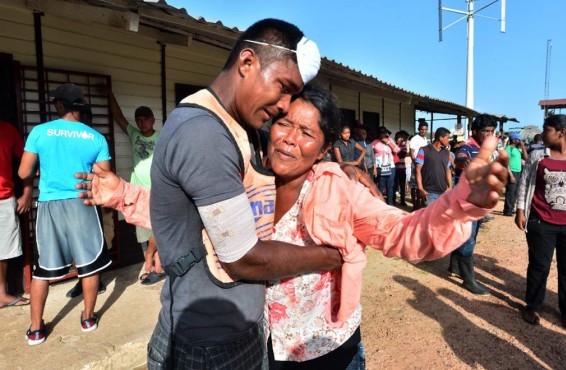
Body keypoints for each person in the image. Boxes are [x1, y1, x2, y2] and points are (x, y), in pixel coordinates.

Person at [75, 84, 509, 369]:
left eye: (306, 132)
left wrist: (461, 202)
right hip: (256, 348)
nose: (289, 138)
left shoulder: (341, 192)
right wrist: (120, 194)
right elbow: (185, 218)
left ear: (323, 148)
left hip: (327, 349)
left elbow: (405, 233)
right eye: (284, 123)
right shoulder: (241, 179)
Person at [18, 83, 112, 346]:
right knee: (89, 264)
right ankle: (88, 318)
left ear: (59, 105)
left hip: (50, 205)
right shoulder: (95, 137)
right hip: (83, 202)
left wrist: (42, 167)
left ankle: (36, 329)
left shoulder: (40, 132)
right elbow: (103, 176)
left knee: (43, 270)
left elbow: (23, 173)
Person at [515, 114, 566, 330]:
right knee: (539, 266)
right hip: (541, 221)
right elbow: (524, 182)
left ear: (560, 133)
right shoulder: (537, 156)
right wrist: (520, 209)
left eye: (547, 130)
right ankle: (533, 306)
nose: (543, 134)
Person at [107, 89, 164, 286]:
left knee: (158, 229)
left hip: (157, 192)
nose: (141, 123)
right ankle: (150, 266)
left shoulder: (162, 137)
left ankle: (158, 266)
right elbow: (118, 116)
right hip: (137, 193)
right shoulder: (134, 134)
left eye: (145, 119)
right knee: (142, 231)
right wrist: (109, 93)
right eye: (138, 120)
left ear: (153, 120)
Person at [447, 114, 498, 296]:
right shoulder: (468, 148)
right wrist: (464, 162)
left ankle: (454, 266)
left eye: (492, 131)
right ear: (475, 131)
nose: (489, 134)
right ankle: (469, 280)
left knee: (469, 235)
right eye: (485, 131)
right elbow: (459, 159)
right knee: (468, 239)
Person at [0, 120, 32, 309]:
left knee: (2, 250)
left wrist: (27, 192)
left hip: (3, 198)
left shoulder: (7, 130)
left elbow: (27, 162)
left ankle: (1, 294)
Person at [415, 127, 452, 206]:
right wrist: (420, 188)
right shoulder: (424, 150)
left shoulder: (446, 153)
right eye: (447, 138)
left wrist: (450, 187)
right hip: (429, 193)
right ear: (441, 138)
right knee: (429, 217)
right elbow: (418, 170)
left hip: (443, 192)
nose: (449, 140)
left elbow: (448, 170)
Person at [372, 126, 400, 206]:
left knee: (390, 186)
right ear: (378, 133)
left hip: (390, 166)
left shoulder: (390, 140)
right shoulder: (375, 142)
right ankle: (381, 205)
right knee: (380, 186)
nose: (382, 133)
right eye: (380, 132)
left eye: (384, 132)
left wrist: (388, 142)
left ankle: (390, 204)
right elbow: (370, 154)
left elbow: (397, 150)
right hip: (380, 166)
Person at [503, 133, 528, 216]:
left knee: (516, 192)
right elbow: (506, 162)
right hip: (512, 172)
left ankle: (511, 208)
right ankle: (507, 210)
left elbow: (526, 158)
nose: (520, 141)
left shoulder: (517, 149)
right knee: (510, 191)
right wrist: (510, 175)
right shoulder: (508, 148)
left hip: (518, 172)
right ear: (514, 140)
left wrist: (523, 146)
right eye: (518, 139)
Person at [409, 119, 429, 210]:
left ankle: (420, 203)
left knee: (421, 185)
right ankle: (414, 205)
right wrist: (415, 163)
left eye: (425, 129)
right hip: (416, 164)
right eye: (422, 129)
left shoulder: (425, 139)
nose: (423, 131)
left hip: (423, 165)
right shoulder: (414, 139)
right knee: (414, 185)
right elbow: (412, 152)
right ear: (418, 129)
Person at [394, 130, 410, 206]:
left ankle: (402, 200)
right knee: (394, 184)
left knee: (402, 184)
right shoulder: (393, 144)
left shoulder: (404, 144)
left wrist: (395, 150)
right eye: (397, 137)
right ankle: (393, 199)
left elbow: (403, 154)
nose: (399, 138)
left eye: (400, 137)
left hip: (402, 167)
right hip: (394, 168)